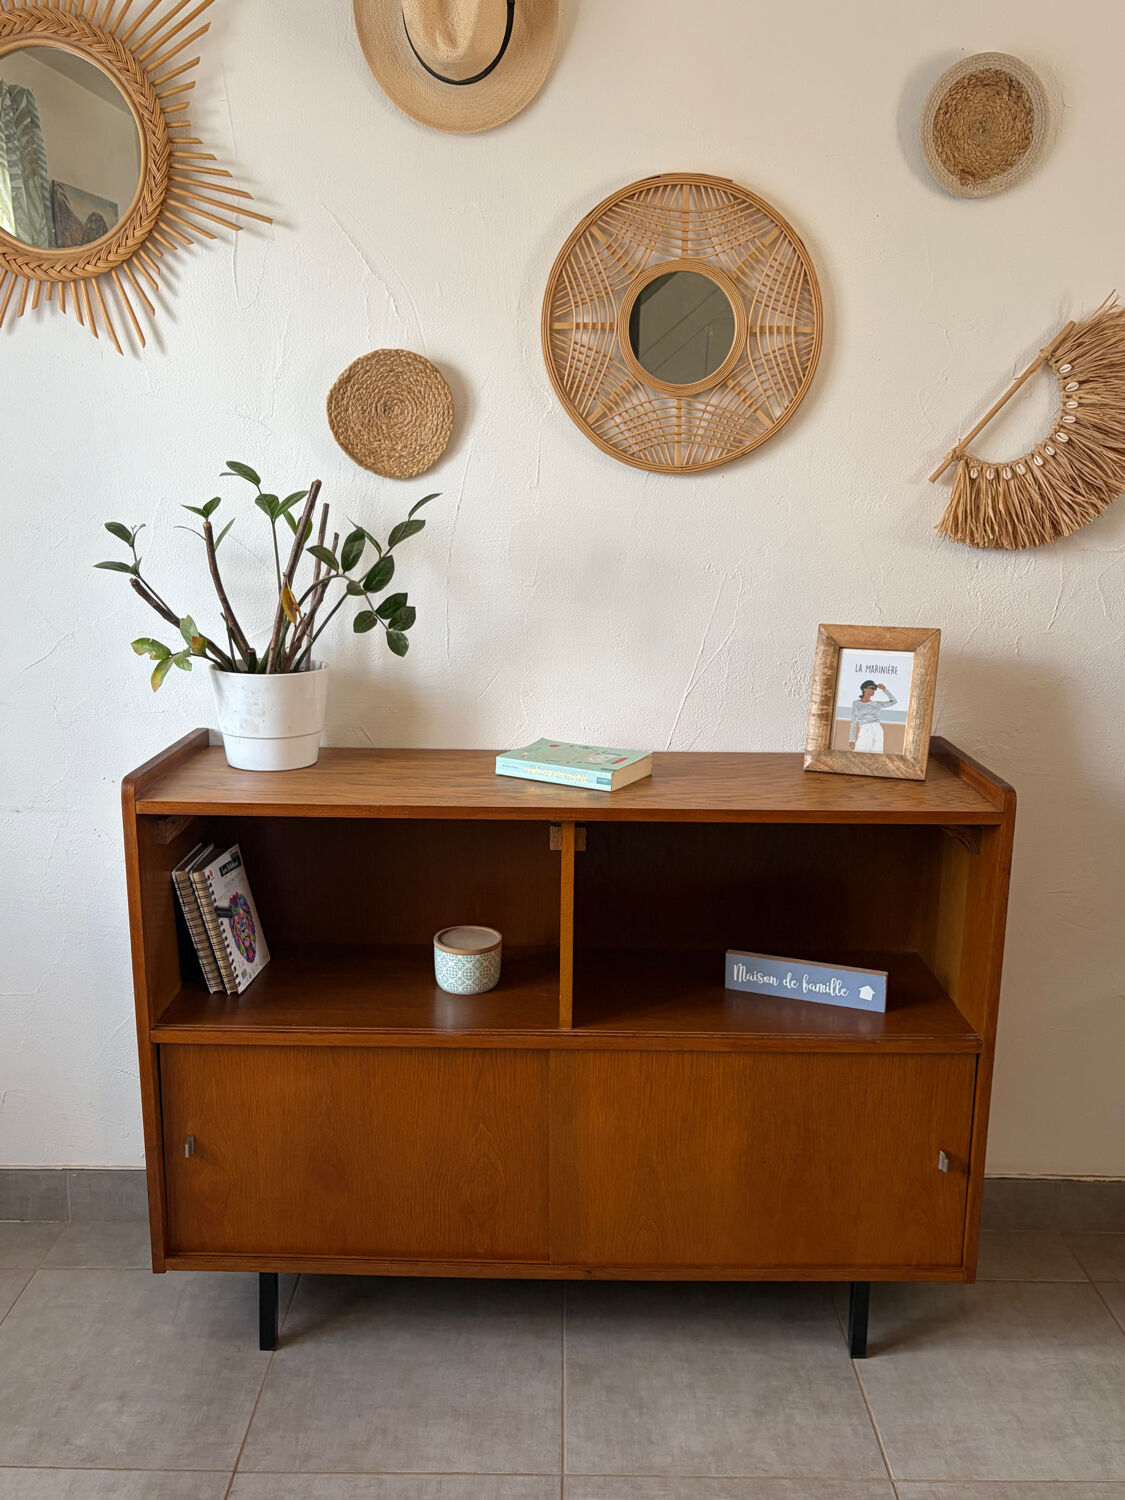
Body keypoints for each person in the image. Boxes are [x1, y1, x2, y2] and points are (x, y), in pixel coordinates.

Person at [849, 680, 897, 753]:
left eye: (874, 689)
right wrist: (852, 740)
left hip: (877, 729)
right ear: (864, 689)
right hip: (865, 729)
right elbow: (853, 722)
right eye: (871, 688)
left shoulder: (876, 704)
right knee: (859, 754)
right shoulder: (856, 703)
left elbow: (894, 701)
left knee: (877, 755)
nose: (873, 690)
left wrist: (884, 689)